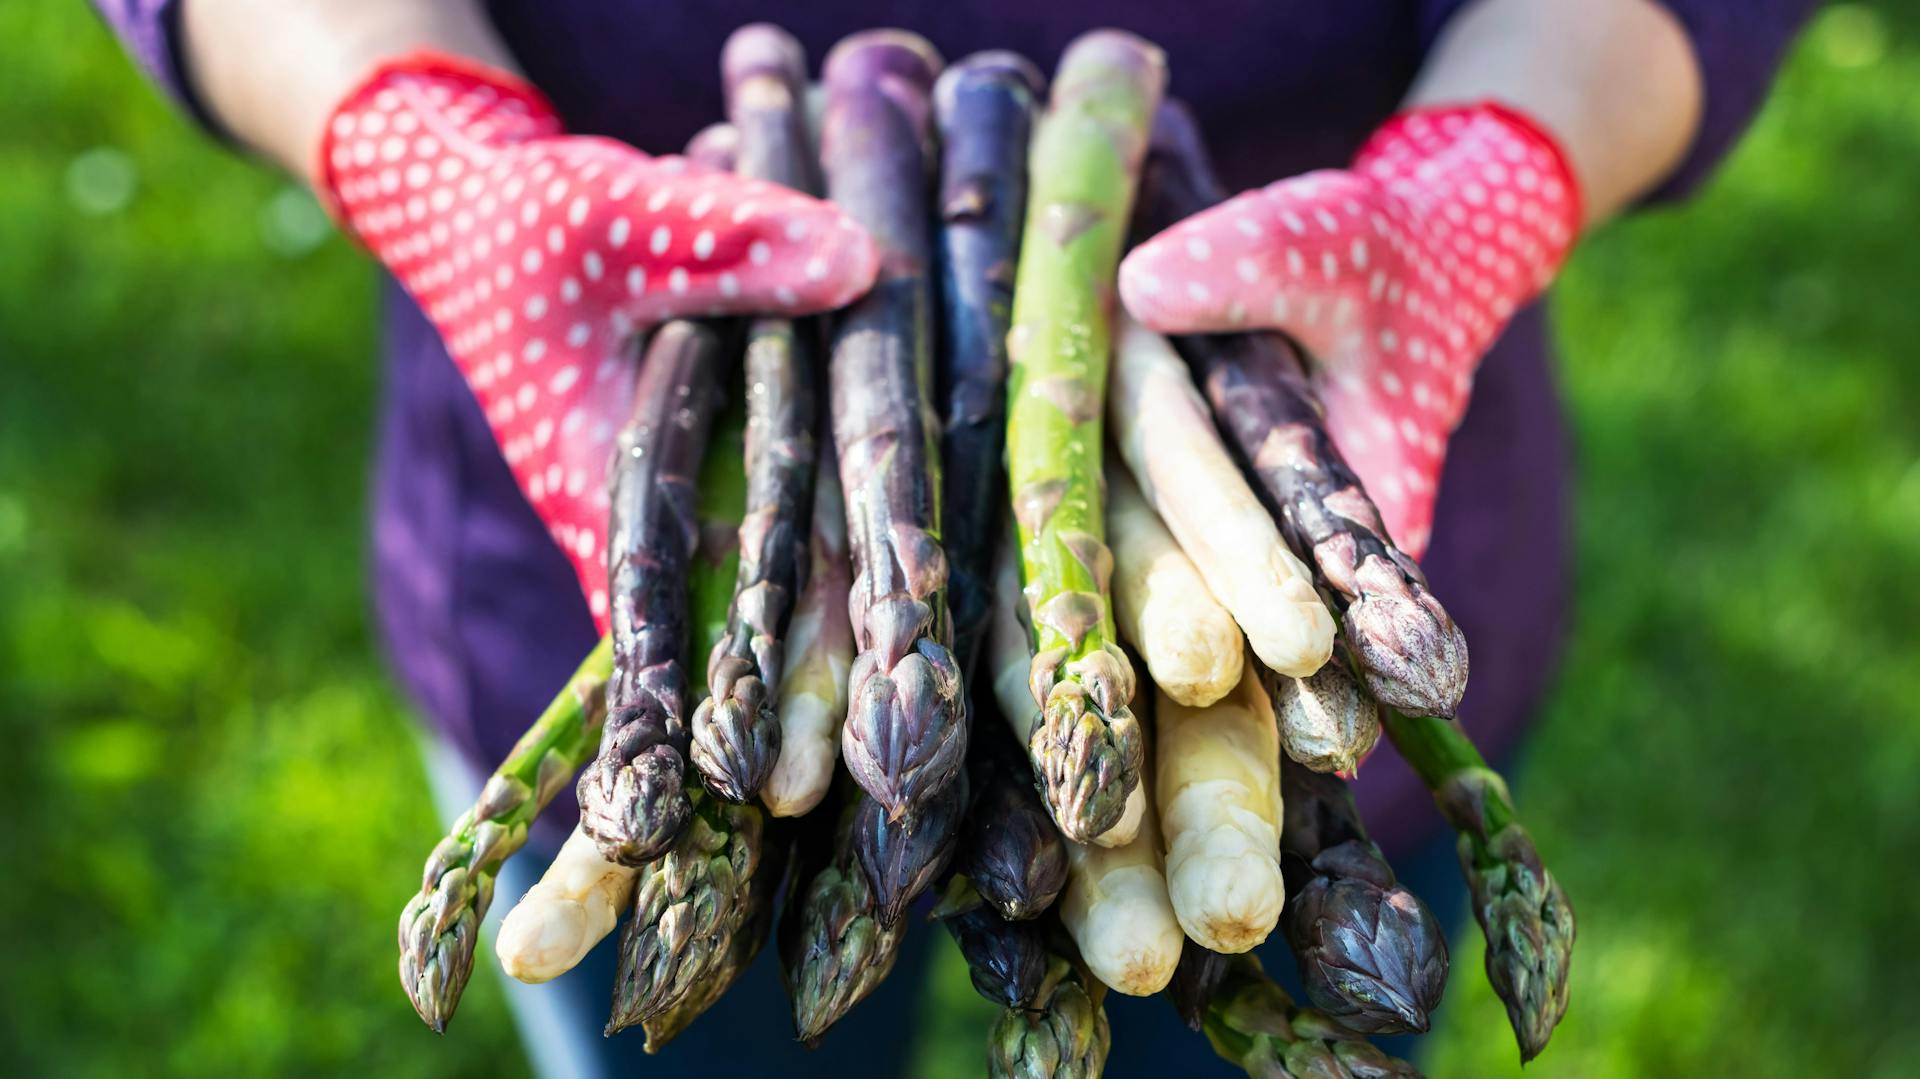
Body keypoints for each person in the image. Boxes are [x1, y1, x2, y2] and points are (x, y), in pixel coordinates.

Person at [93, 1, 1809, 1075]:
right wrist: (420, 142)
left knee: (1239, 917)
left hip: (1318, 544)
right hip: (659, 655)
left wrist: (1490, 172)